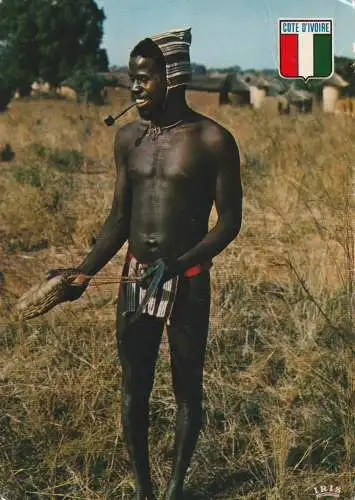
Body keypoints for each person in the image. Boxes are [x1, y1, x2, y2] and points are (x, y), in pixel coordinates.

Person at [47, 27, 243, 500]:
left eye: (145, 78)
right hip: (136, 278)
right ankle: (144, 490)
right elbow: (118, 219)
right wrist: (84, 271)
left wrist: (177, 265)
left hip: (188, 279)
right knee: (135, 386)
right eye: (132, 79)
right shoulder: (128, 139)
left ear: (172, 77)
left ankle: (175, 489)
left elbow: (229, 224)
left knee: (185, 388)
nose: (135, 88)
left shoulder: (213, 140)